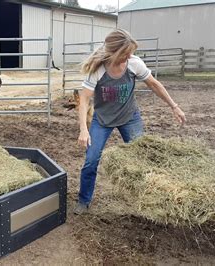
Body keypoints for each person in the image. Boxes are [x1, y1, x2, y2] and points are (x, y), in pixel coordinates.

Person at [73, 29, 187, 215]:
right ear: (115, 52)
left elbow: (154, 84)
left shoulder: (134, 63)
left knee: (140, 158)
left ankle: (146, 201)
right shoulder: (98, 69)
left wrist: (174, 106)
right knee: (91, 161)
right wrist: (83, 129)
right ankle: (84, 200)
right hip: (102, 120)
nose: (130, 56)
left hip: (129, 117)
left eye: (130, 53)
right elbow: (84, 99)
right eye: (126, 53)